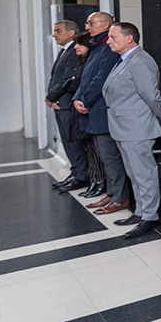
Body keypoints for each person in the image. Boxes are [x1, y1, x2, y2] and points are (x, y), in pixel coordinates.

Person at [102, 23, 161, 238]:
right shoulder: (125, 59)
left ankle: (150, 216)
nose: (108, 41)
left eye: (113, 37)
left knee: (144, 173)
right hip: (124, 127)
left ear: (129, 38)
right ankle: (140, 211)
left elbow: (152, 95)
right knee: (134, 173)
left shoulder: (140, 60)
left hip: (137, 127)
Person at [73, 12, 131, 215]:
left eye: (91, 23)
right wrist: (77, 98)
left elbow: (101, 78)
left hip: (101, 110)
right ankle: (112, 192)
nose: (87, 26)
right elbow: (86, 76)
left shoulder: (108, 47)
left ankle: (120, 197)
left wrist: (85, 99)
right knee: (103, 155)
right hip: (92, 110)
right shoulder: (97, 45)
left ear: (105, 24)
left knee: (110, 156)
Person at [46, 20, 89, 193]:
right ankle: (75, 172)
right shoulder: (64, 51)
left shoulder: (73, 51)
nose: (54, 34)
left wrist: (50, 97)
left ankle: (81, 176)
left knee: (73, 142)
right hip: (59, 104)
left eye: (58, 31)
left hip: (66, 103)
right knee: (67, 142)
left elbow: (67, 79)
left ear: (71, 33)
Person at [71, 34, 107, 202]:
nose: (76, 48)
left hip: (94, 109)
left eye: (79, 45)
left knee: (100, 151)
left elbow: (97, 81)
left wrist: (84, 100)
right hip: (85, 109)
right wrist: (77, 99)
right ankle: (95, 179)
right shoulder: (85, 60)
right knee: (90, 149)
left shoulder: (100, 55)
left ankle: (99, 181)